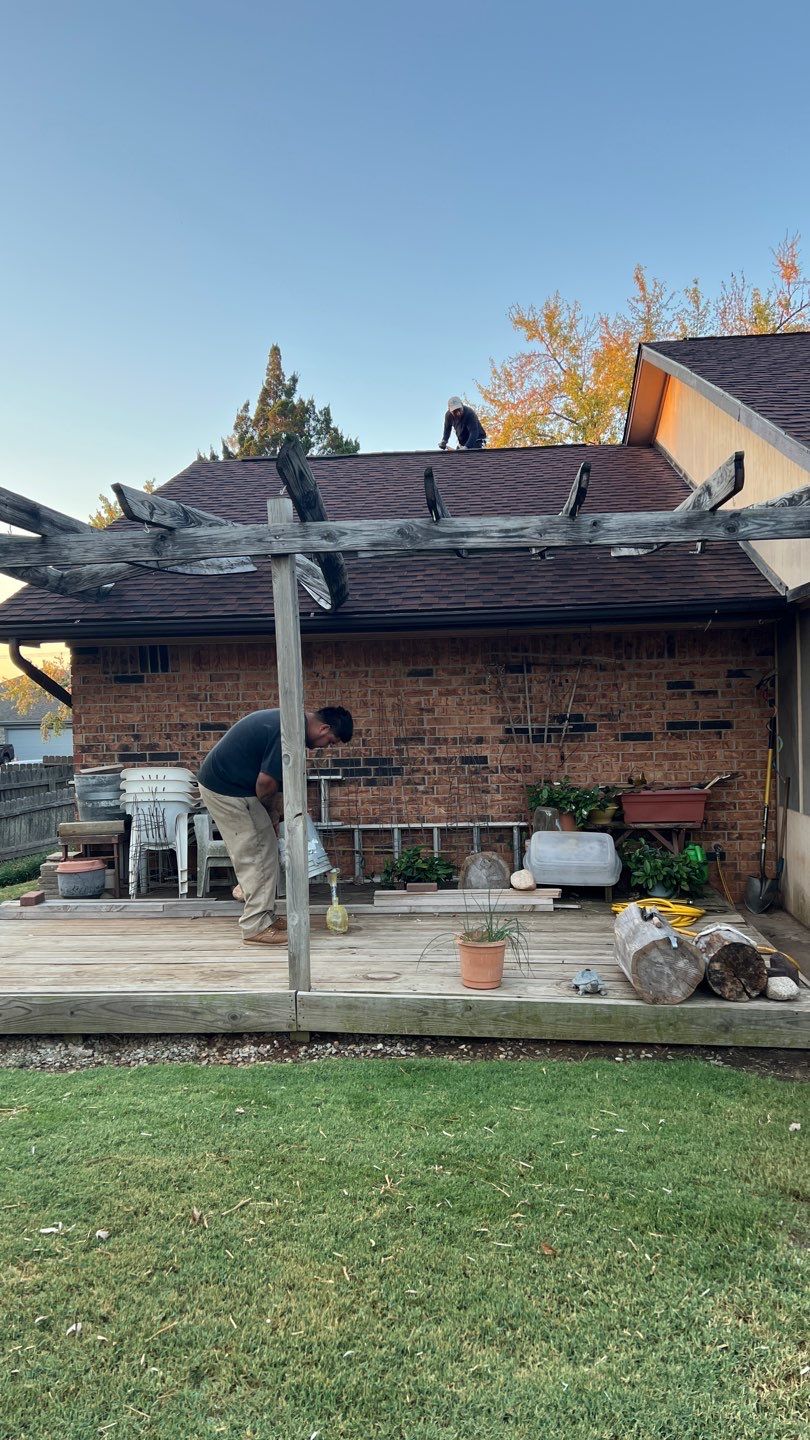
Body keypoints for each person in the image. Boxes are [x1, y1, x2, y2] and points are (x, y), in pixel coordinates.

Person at [197, 705, 354, 945]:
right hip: (227, 789)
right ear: (324, 728)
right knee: (257, 853)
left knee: (267, 847)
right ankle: (255, 926)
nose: (326, 747)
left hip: (232, 784)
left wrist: (276, 814)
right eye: (330, 742)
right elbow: (266, 783)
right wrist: (271, 812)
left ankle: (265, 917)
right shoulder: (288, 731)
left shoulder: (290, 723)